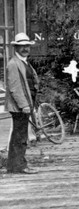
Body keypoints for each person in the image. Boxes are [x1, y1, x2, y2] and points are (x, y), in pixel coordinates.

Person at [6, 33, 39, 174]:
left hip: (27, 104)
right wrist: (24, 105)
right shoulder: (13, 64)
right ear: (16, 48)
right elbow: (15, 87)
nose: (25, 48)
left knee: (20, 135)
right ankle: (19, 166)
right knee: (20, 136)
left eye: (27, 46)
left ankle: (15, 166)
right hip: (19, 106)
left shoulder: (25, 62)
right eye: (22, 46)